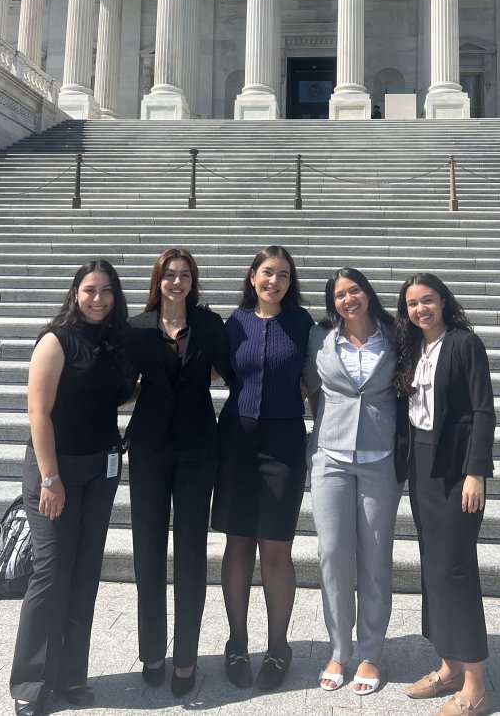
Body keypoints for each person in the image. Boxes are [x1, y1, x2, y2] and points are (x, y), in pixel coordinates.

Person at [10, 260, 136, 716]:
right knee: (52, 571)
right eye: (89, 289)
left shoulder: (117, 340)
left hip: (101, 469)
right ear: (75, 293)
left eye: (106, 290)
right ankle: (30, 680)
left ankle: (71, 676)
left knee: (84, 572)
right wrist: (49, 477)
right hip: (55, 471)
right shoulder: (56, 340)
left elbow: (117, 393)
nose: (98, 298)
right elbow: (38, 413)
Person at [126, 248, 232, 697]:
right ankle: (152, 651)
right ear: (158, 280)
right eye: (169, 275)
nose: (176, 282)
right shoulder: (136, 327)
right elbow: (120, 382)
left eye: (184, 275)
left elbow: (235, 373)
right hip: (149, 449)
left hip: (195, 450)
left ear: (193, 281)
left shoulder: (209, 325)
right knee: (147, 553)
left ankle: (185, 657)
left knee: (190, 553)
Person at [211, 245, 315, 691]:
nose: (275, 281)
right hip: (237, 439)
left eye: (285, 276)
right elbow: (210, 372)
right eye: (268, 273)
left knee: (276, 546)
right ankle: (237, 643)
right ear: (252, 276)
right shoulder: (232, 323)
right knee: (237, 543)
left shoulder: (303, 324)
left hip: (285, 442)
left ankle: (278, 647)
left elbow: (314, 382)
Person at [394, 273, 496, 716]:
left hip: (456, 470)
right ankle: (448, 666)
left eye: (428, 301)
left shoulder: (464, 343)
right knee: (434, 566)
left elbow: (483, 409)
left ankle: (475, 686)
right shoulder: (412, 348)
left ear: (443, 302)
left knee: (455, 570)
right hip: (420, 465)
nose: (421, 310)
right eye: (413, 303)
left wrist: (477, 472)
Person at [303, 269, 408, 695]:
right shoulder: (319, 338)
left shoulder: (396, 335)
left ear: (367, 293)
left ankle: (371, 653)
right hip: (330, 456)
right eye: (340, 295)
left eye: (355, 291)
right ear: (333, 302)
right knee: (331, 553)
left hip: (380, 458)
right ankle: (339, 649)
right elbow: (311, 386)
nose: (349, 299)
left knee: (375, 556)